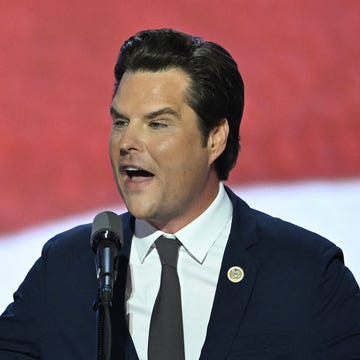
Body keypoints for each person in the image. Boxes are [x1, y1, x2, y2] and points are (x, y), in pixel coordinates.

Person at [0, 28, 359, 360]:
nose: (127, 142)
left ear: (215, 138)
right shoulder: (66, 268)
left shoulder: (306, 275)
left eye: (157, 124)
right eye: (121, 122)